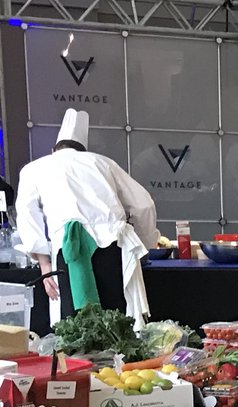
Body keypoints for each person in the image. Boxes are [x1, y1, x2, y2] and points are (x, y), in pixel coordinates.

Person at [14, 109, 158, 328]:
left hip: (68, 251)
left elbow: (27, 216)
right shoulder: (102, 162)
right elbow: (143, 204)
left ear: (54, 149)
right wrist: (144, 244)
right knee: (117, 324)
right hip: (112, 248)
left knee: (75, 327)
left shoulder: (34, 168)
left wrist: (44, 266)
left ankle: (78, 363)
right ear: (84, 149)